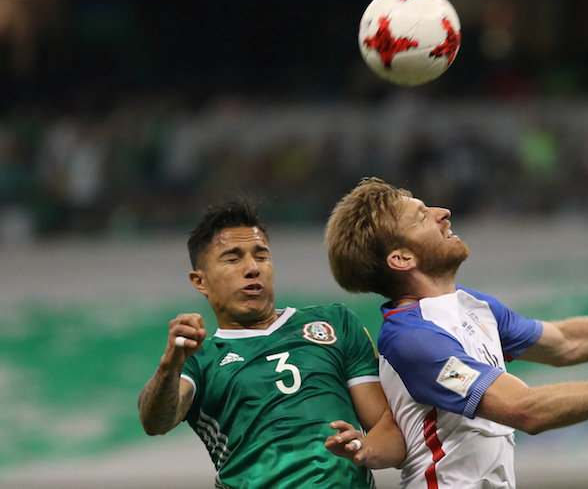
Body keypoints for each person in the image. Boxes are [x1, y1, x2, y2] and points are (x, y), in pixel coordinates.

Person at [325, 177, 588, 489]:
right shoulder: (412, 341)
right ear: (401, 258)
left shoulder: (473, 306)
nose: (442, 212)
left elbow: (567, 342)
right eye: (421, 215)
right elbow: (528, 410)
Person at [138, 199, 405, 489]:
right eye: (233, 258)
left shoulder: (335, 324)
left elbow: (389, 432)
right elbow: (155, 422)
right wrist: (170, 364)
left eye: (261, 255)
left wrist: (364, 449)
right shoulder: (200, 359)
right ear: (199, 281)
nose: (252, 268)